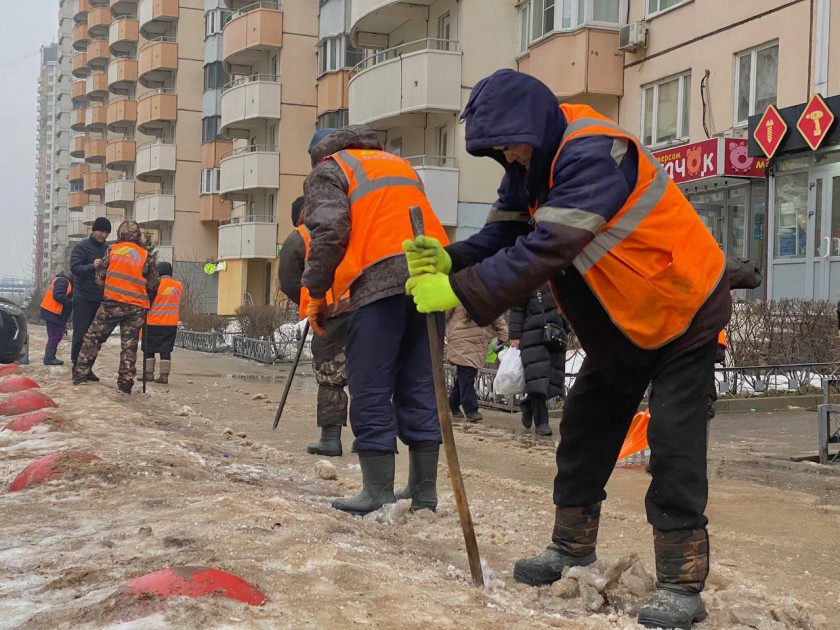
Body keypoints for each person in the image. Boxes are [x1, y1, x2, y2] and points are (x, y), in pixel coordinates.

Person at [404, 70, 731, 629]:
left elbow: (548, 247)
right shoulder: (530, 165)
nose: (507, 154)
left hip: (683, 309)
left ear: (532, 125)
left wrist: (458, 291)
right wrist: (453, 258)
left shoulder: (593, 154)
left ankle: (681, 583)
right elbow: (505, 236)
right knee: (583, 432)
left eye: (510, 142)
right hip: (625, 323)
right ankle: (571, 547)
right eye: (498, 149)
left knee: (673, 444)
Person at [302, 125, 448, 516]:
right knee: (419, 380)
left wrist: (317, 292)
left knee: (369, 381)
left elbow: (330, 231)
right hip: (430, 276)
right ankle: (423, 491)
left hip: (378, 279)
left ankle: (377, 490)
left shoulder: (330, 169)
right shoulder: (397, 164)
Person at [279, 190, 348, 457]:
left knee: (331, 374)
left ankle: (331, 439)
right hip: (364, 306)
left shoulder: (301, 236)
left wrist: (309, 301)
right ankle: (371, 441)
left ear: (300, 215)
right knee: (367, 375)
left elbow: (287, 280)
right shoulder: (348, 224)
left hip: (329, 312)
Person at [73, 221, 160, 394]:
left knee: (93, 338)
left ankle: (81, 374)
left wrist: (110, 289)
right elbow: (153, 284)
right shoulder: (145, 256)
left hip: (111, 303)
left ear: (120, 234)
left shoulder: (112, 251)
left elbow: (100, 278)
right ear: (137, 236)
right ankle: (125, 383)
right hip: (136, 307)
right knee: (129, 346)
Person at [509, 285, 569, 436]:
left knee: (552, 378)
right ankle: (542, 422)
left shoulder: (561, 275)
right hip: (533, 334)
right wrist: (515, 335)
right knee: (537, 377)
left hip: (556, 335)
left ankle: (528, 403)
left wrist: (566, 326)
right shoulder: (527, 276)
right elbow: (517, 307)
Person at [446, 305, 508, 422]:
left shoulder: (481, 292)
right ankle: (471, 410)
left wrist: (503, 334)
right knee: (467, 376)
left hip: (477, 342)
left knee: (465, 377)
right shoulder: (480, 292)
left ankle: (453, 403)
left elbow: (496, 313)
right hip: (461, 340)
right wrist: (503, 334)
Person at [70, 217, 111, 378]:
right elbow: (75, 268)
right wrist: (92, 266)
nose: (104, 234)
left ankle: (88, 367)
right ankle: (76, 366)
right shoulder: (81, 247)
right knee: (80, 334)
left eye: (107, 232)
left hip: (100, 298)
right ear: (94, 230)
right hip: (83, 297)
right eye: (101, 231)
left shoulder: (108, 250)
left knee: (94, 336)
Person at [142, 261, 182, 385]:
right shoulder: (178, 286)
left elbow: (147, 301)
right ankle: (164, 376)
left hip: (153, 322)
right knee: (166, 349)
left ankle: (148, 374)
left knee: (149, 348)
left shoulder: (155, 284)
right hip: (170, 324)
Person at [40, 272, 74, 365]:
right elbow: (58, 295)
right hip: (53, 312)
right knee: (55, 336)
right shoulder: (63, 281)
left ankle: (49, 356)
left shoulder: (63, 281)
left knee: (53, 336)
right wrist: (73, 301)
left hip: (52, 312)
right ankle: (49, 358)